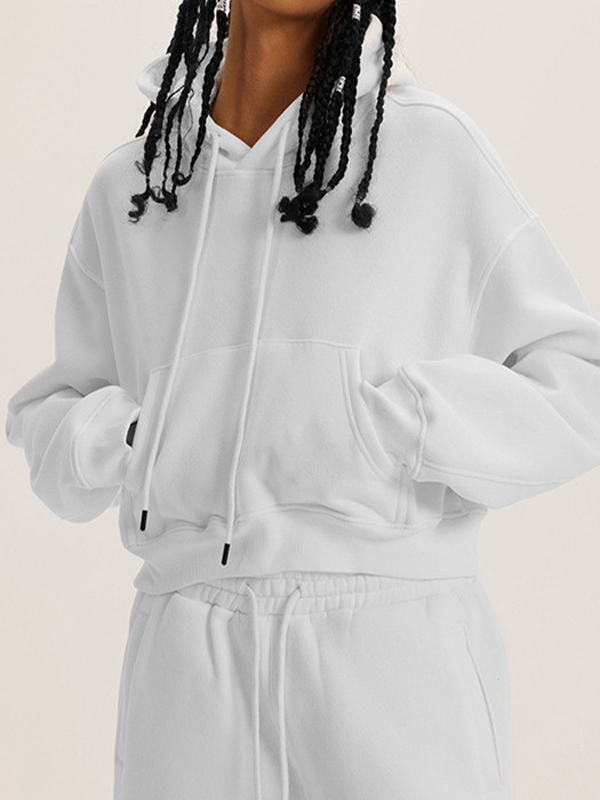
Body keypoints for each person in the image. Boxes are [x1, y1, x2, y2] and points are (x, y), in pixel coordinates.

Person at [5, 0, 600, 798]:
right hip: (185, 666)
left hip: (390, 658)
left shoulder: (428, 148)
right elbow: (49, 414)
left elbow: (579, 378)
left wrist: (396, 426)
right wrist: (138, 438)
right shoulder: (139, 185)